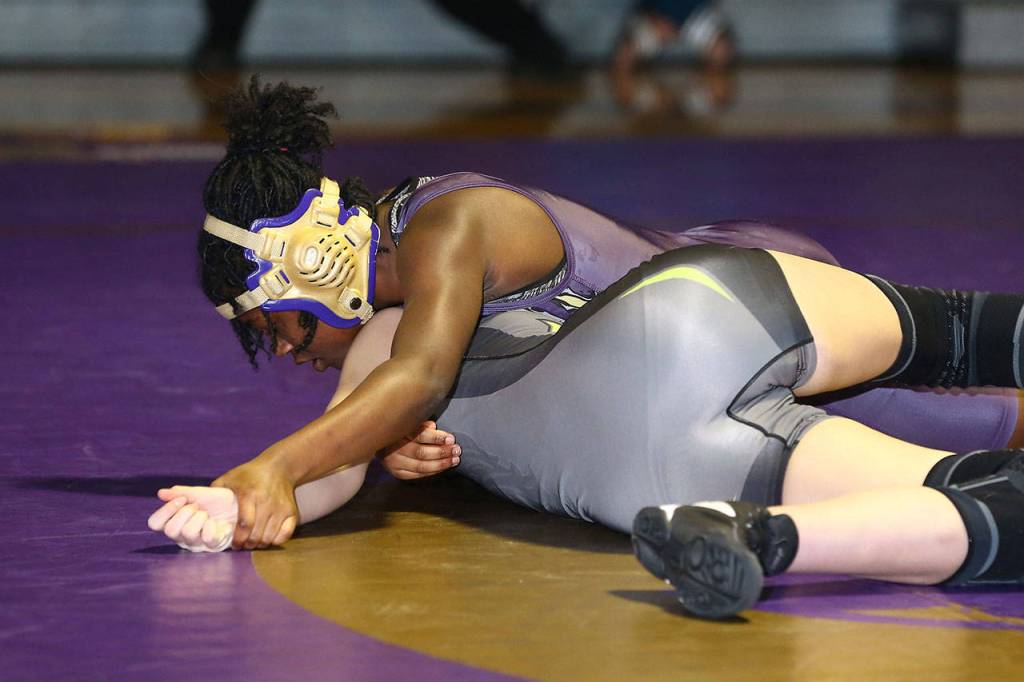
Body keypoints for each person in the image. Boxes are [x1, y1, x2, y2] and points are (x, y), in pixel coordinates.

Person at [154, 78, 1024, 618]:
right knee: (981, 436)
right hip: (723, 321)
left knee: (987, 417)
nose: (291, 355)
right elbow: (368, 430)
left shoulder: (445, 227)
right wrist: (253, 496)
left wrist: (275, 466)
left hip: (739, 305)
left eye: (279, 328)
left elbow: (417, 380)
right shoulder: (399, 318)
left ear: (312, 265)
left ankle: (776, 535)